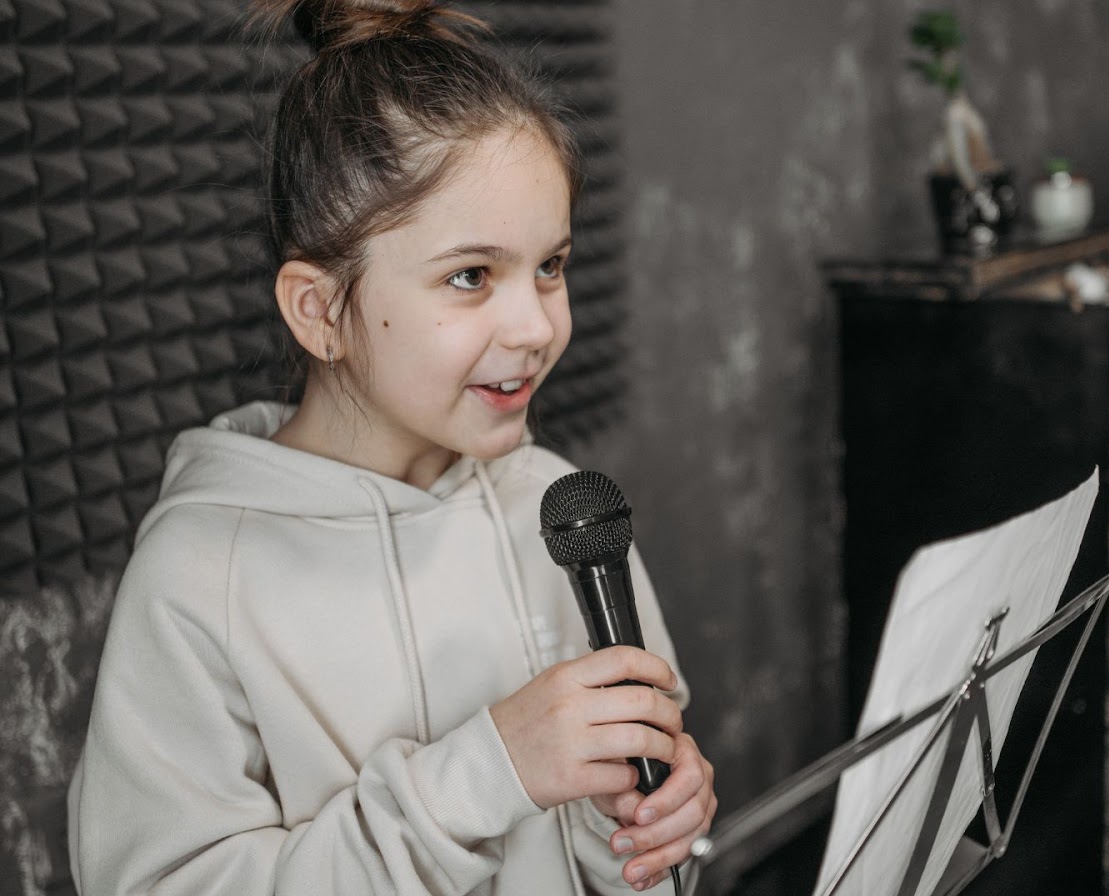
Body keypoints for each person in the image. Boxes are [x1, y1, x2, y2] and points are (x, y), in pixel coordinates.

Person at [66, 1, 716, 892]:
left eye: (551, 266)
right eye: (470, 276)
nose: (535, 326)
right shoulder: (197, 579)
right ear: (319, 310)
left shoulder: (559, 506)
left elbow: (628, 830)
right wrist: (485, 774)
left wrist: (649, 823)